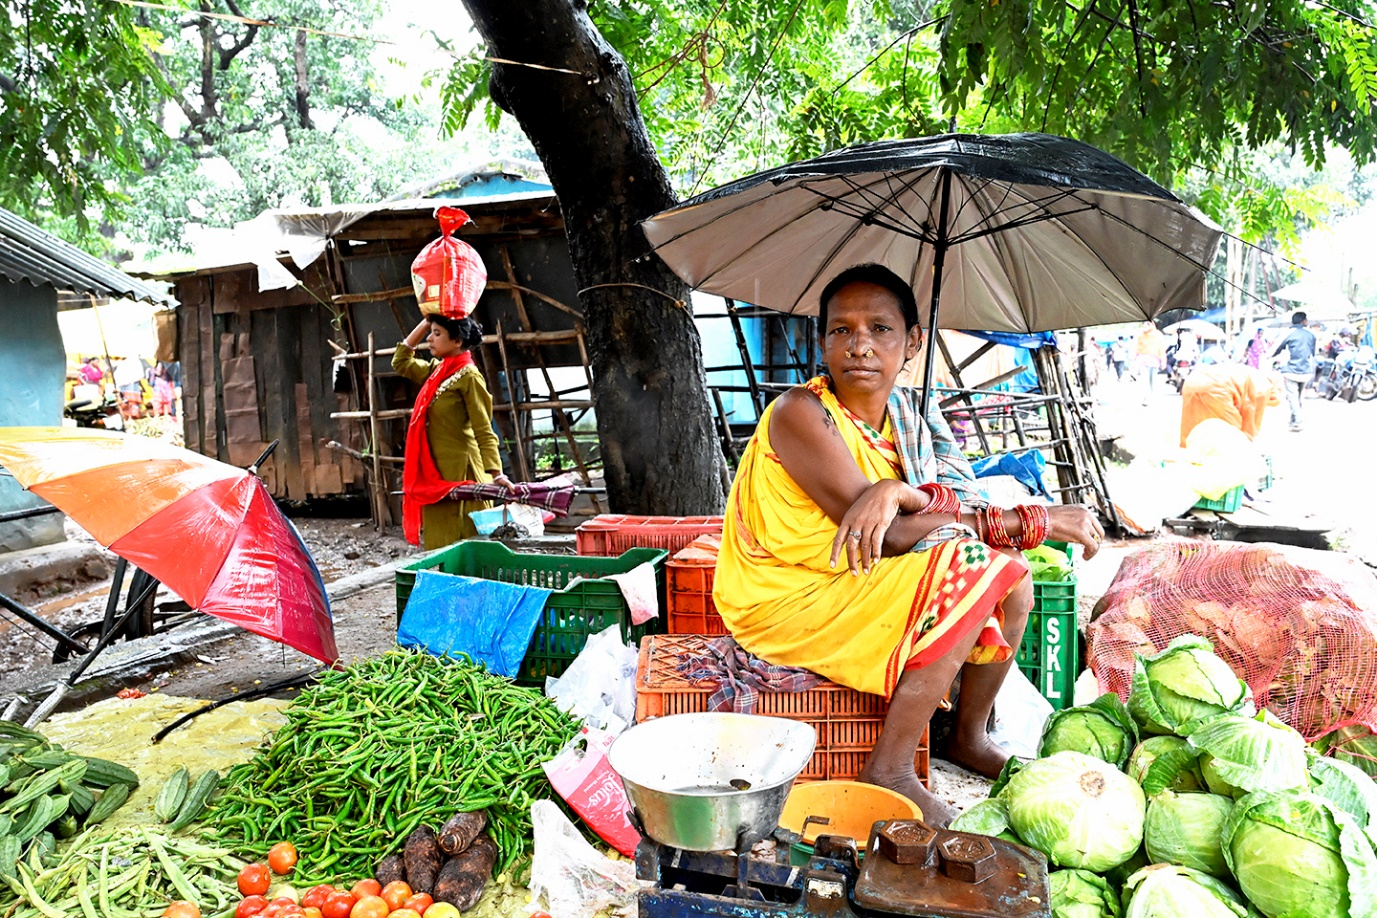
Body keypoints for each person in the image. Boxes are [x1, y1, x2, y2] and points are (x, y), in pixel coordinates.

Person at [711, 264, 1104, 824]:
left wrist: (898, 489)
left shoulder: (908, 422)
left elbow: (942, 507)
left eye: (880, 329)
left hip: (851, 576)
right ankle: (890, 769)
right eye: (841, 331)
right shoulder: (800, 412)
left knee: (1011, 573)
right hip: (786, 597)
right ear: (822, 342)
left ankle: (967, 737)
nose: (860, 347)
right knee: (971, 564)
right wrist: (1032, 517)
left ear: (913, 342)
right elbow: (895, 536)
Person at [393, 315, 514, 549]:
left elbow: (483, 429)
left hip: (462, 474)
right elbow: (401, 360)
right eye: (431, 332)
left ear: (457, 341)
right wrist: (428, 320)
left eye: (437, 334)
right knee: (439, 545)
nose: (429, 338)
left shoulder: (470, 377)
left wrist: (496, 473)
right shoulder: (438, 371)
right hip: (434, 473)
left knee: (466, 544)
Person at [1179, 365, 1281, 447]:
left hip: (1192, 381)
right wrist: (1247, 443)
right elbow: (1250, 416)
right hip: (1216, 387)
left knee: (1192, 423)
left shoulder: (1251, 373)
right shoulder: (1264, 386)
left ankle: (1186, 454)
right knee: (1230, 434)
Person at [1271, 311, 1317, 432]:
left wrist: (1269, 357)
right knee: (1298, 397)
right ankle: (1293, 421)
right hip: (1306, 370)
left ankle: (1298, 421)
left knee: (1292, 397)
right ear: (1304, 321)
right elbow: (1313, 352)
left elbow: (1275, 349)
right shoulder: (1311, 335)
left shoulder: (1287, 333)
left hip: (1290, 370)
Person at [1133, 322, 1165, 403]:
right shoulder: (1140, 334)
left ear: (1152, 325)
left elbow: (1161, 348)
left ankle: (1151, 396)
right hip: (1142, 361)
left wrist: (1163, 361)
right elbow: (1136, 348)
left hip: (1155, 361)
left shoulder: (1158, 335)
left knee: (1153, 381)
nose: (1145, 326)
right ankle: (1146, 398)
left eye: (1148, 324)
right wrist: (1134, 361)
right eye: (1144, 324)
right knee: (1145, 380)